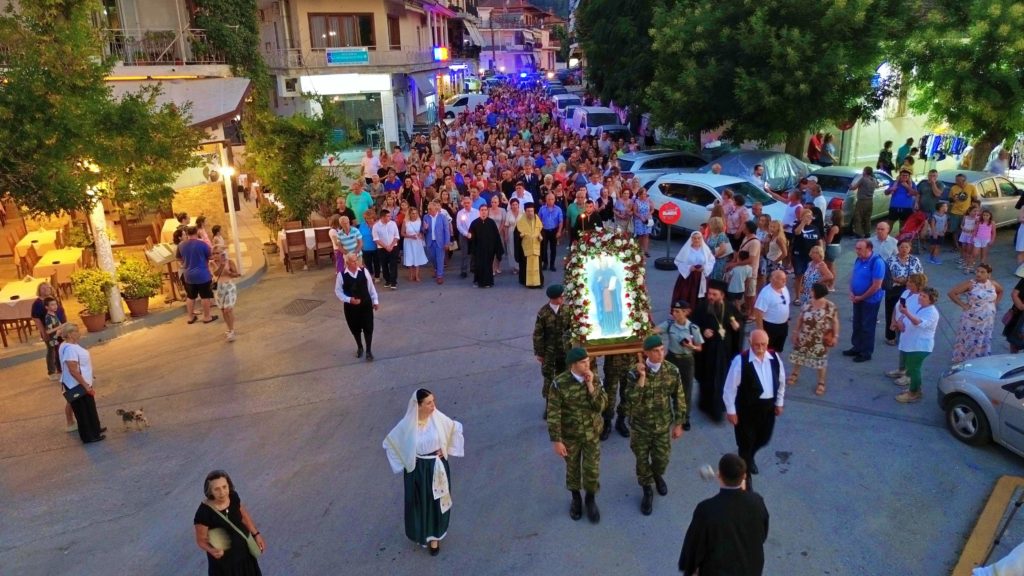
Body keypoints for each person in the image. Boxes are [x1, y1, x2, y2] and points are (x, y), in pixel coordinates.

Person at [383, 388, 465, 556]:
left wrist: (445, 448)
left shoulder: (437, 418)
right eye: (428, 403)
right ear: (418, 405)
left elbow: (454, 428)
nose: (433, 405)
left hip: (437, 467)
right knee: (420, 503)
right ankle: (423, 533)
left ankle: (435, 538)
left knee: (437, 502)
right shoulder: (407, 425)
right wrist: (407, 460)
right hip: (418, 470)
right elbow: (390, 443)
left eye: (433, 401)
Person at [623, 335, 687, 515]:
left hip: (661, 426)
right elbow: (631, 400)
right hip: (640, 427)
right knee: (642, 461)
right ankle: (647, 490)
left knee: (662, 459)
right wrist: (641, 378)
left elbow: (679, 397)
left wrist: (679, 423)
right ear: (646, 353)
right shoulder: (633, 373)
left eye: (662, 350)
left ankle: (657, 475)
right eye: (656, 351)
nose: (660, 354)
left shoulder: (671, 371)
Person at [678, 453, 769, 576]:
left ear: (719, 475)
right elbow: (762, 534)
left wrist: (689, 569)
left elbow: (694, 545)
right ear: (744, 476)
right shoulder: (757, 501)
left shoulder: (706, 509)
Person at [547, 347, 607, 524]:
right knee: (573, 469)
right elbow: (553, 414)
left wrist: (590, 386)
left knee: (592, 469)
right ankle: (576, 499)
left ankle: (590, 499)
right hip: (570, 436)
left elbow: (602, 405)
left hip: (592, 434)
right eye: (583, 362)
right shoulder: (559, 384)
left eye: (588, 361)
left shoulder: (595, 379)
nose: (587, 364)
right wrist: (557, 440)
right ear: (573, 364)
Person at [724, 329, 786, 488]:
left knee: (764, 438)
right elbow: (730, 388)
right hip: (747, 410)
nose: (761, 347)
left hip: (768, 409)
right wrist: (731, 411)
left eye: (764, 344)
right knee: (745, 444)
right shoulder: (741, 361)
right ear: (750, 343)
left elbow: (781, 381)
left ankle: (750, 457)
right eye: (757, 344)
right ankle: (746, 475)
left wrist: (779, 402)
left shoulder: (774, 358)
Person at [193, 470, 265, 575]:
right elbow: (201, 540)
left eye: (224, 487)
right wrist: (212, 551)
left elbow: (244, 515)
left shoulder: (233, 497)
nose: (222, 492)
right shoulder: (204, 512)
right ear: (210, 491)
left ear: (228, 485)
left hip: (245, 556)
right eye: (216, 489)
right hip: (225, 565)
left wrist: (256, 534)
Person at [692, 280, 744, 422]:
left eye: (714, 294)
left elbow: (739, 323)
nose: (710, 296)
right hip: (708, 351)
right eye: (709, 293)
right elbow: (693, 325)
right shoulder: (703, 307)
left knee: (723, 378)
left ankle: (720, 406)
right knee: (708, 378)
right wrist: (702, 331)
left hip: (725, 351)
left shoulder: (730, 308)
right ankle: (707, 405)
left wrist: (736, 326)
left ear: (722, 295)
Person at [788, 283, 839, 396]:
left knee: (820, 360)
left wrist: (835, 336)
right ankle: (795, 373)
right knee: (799, 356)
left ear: (817, 292)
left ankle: (821, 382)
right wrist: (796, 332)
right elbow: (800, 319)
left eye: (812, 290)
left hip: (820, 339)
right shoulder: (807, 304)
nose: (810, 291)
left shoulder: (830, 306)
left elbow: (835, 322)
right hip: (805, 335)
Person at [58, 323, 105, 444]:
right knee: (83, 411)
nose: (79, 333)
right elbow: (73, 370)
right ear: (69, 334)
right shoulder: (70, 349)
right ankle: (89, 436)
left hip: (82, 382)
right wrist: (85, 385)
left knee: (89, 407)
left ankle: (95, 429)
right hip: (76, 384)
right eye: (76, 331)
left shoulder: (67, 345)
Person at [892, 287, 941, 403]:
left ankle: (914, 392)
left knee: (914, 369)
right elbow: (906, 316)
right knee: (911, 367)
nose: (920, 297)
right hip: (911, 343)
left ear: (931, 300)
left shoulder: (932, 313)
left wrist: (906, 313)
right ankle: (912, 388)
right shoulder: (920, 306)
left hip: (919, 346)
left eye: (924, 296)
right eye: (921, 295)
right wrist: (899, 321)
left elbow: (917, 322)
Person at [949, 264, 1002, 363]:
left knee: (983, 338)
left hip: (988, 320)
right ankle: (964, 359)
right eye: (977, 271)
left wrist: (994, 304)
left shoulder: (993, 284)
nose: (978, 274)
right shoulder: (970, 284)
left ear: (989, 274)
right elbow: (952, 293)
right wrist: (963, 305)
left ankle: (980, 358)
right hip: (972, 319)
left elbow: (1000, 291)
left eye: (982, 272)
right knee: (969, 339)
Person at [534, 284, 572, 418]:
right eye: (561, 297)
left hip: (564, 351)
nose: (563, 298)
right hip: (549, 352)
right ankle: (549, 406)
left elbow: (571, 329)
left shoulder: (567, 310)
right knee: (549, 378)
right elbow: (538, 334)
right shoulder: (543, 313)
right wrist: (539, 353)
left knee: (565, 378)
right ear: (554, 298)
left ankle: (563, 405)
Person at [844, 240, 885, 363]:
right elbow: (854, 276)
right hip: (857, 298)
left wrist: (861, 297)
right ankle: (857, 347)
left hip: (870, 300)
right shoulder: (859, 260)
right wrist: (851, 291)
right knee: (857, 324)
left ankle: (866, 352)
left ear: (869, 249)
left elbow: (876, 285)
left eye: (860, 249)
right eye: (856, 248)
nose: (857, 251)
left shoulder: (877, 262)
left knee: (867, 326)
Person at [335, 253, 380, 361]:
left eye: (357, 260)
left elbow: (371, 287)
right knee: (355, 329)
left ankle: (369, 350)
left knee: (368, 327)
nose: (356, 263)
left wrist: (375, 300)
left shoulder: (364, 271)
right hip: (351, 308)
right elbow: (338, 292)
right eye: (353, 261)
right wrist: (349, 299)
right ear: (347, 263)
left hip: (365, 304)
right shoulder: (341, 275)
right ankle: (360, 347)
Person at [178, 226, 218, 324]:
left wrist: (186, 263)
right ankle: (207, 317)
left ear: (187, 234)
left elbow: (179, 259)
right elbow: (210, 256)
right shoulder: (202, 244)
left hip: (188, 275)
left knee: (190, 296)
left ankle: (190, 317)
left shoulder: (181, 245)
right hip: (202, 274)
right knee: (205, 296)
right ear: (196, 232)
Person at [31, 282, 66, 382]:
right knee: (51, 351)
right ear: (39, 290)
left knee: (61, 348)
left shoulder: (53, 298)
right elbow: (36, 318)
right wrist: (44, 333)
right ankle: (51, 372)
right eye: (43, 288)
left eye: (48, 287)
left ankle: (61, 369)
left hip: (60, 329)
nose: (46, 289)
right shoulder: (37, 303)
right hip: (51, 332)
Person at [671, 232, 715, 308]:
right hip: (688, 277)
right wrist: (689, 268)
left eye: (698, 238)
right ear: (691, 239)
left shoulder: (705, 249)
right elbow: (678, 262)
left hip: (701, 276)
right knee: (685, 294)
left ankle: (697, 312)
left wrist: (704, 268)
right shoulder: (686, 249)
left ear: (701, 239)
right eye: (694, 238)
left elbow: (712, 261)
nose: (696, 240)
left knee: (700, 296)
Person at [753, 270, 791, 353]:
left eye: (785, 278)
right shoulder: (766, 294)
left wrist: (787, 320)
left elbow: (786, 304)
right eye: (782, 279)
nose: (785, 281)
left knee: (778, 349)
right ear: (773, 279)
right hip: (770, 327)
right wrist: (761, 331)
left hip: (783, 326)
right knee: (766, 351)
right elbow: (758, 312)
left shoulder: (784, 288)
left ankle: (775, 363)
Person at [468, 205, 504, 288]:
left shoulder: (491, 223)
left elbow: (496, 236)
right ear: (479, 211)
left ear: (487, 212)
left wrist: (497, 248)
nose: (483, 212)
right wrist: (470, 237)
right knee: (478, 265)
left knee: (488, 265)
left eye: (485, 210)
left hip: (489, 249)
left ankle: (488, 282)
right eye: (482, 210)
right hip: (478, 249)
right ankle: (477, 281)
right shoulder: (474, 223)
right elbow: (471, 235)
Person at [421, 201, 451, 285]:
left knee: (440, 259)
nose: (429, 210)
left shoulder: (442, 217)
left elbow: (446, 231)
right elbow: (423, 230)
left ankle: (439, 276)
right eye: (428, 209)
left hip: (440, 242)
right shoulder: (426, 217)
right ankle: (436, 270)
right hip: (430, 242)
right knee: (432, 258)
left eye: (430, 209)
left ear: (436, 209)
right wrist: (425, 228)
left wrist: (447, 242)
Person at [515, 202, 544, 288]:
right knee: (525, 265)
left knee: (537, 265)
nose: (530, 213)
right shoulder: (521, 221)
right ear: (525, 211)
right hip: (526, 247)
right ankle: (526, 281)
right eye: (528, 211)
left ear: (534, 211)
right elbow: (516, 235)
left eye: (531, 211)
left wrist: (541, 236)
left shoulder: (538, 220)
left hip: (536, 247)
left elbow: (542, 231)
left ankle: (538, 282)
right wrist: (520, 236)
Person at [372, 209, 401, 290]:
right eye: (388, 216)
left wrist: (391, 246)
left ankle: (393, 282)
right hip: (382, 248)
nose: (390, 217)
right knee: (384, 265)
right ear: (382, 217)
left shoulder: (393, 224)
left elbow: (397, 236)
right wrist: (386, 246)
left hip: (393, 247)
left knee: (393, 265)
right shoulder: (376, 226)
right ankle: (387, 280)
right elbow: (376, 239)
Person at [848, 167, 878, 239]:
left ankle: (858, 233)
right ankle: (867, 232)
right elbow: (877, 186)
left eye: (863, 170)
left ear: (865, 172)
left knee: (858, 217)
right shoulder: (874, 180)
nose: (862, 172)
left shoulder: (863, 179)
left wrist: (850, 186)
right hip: (870, 201)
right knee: (867, 217)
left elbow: (854, 188)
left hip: (862, 201)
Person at [538, 193, 563, 271]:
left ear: (554, 200)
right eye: (549, 199)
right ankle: (545, 263)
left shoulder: (558, 209)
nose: (550, 201)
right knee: (544, 248)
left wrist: (559, 231)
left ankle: (552, 264)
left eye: (552, 199)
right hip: (544, 231)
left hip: (554, 230)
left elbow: (561, 221)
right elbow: (538, 220)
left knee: (553, 249)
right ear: (546, 200)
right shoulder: (542, 209)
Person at [402, 207, 427, 283]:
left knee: (417, 257)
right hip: (408, 241)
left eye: (416, 213)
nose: (415, 215)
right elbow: (402, 233)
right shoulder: (405, 222)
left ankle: (417, 275)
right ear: (409, 214)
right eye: (413, 213)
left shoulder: (420, 221)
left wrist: (421, 234)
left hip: (417, 242)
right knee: (410, 257)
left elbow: (423, 231)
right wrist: (410, 236)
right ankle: (411, 274)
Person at [359, 210, 381, 282]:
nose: (369, 220)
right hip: (365, 248)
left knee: (377, 262)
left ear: (374, 217)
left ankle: (377, 276)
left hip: (376, 247)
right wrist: (360, 246)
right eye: (367, 218)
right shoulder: (362, 225)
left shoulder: (378, 225)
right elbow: (359, 236)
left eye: (371, 218)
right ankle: (371, 274)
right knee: (368, 263)